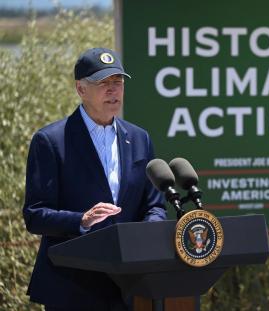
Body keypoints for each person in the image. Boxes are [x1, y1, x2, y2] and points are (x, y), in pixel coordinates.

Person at [22, 47, 166, 310]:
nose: (113, 90)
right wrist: (82, 220)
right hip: (72, 286)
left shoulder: (139, 139)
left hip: (131, 286)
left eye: (118, 82)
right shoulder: (51, 141)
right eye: (103, 83)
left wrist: (150, 231)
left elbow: (154, 205)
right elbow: (35, 215)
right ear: (80, 89)